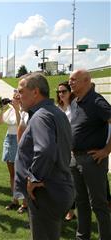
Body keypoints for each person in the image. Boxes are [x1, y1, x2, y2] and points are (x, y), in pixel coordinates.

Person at [14, 73, 74, 240]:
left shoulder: (41, 115)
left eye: (21, 91)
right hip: (57, 188)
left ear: (35, 92)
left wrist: (33, 178)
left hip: (44, 192)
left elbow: (45, 149)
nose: (18, 96)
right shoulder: (55, 111)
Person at [69, 69, 111, 240]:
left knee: (99, 205)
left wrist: (107, 150)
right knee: (81, 202)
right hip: (75, 158)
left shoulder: (96, 101)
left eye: (74, 79)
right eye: (69, 80)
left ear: (86, 81)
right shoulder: (76, 102)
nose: (70, 82)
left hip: (92, 159)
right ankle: (82, 237)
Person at [0, 90, 27, 214]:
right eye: (13, 97)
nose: (13, 99)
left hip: (19, 139)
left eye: (16, 97)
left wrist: (16, 109)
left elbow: (21, 124)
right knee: (12, 173)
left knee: (21, 173)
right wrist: (2, 108)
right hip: (8, 139)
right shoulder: (9, 110)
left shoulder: (24, 111)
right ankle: (15, 200)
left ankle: (25, 203)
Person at [56, 81, 77, 221]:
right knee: (63, 182)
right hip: (60, 150)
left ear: (70, 92)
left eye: (64, 91)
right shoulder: (58, 108)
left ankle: (71, 210)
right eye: (59, 92)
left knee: (72, 182)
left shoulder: (75, 107)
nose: (61, 94)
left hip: (73, 150)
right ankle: (68, 210)